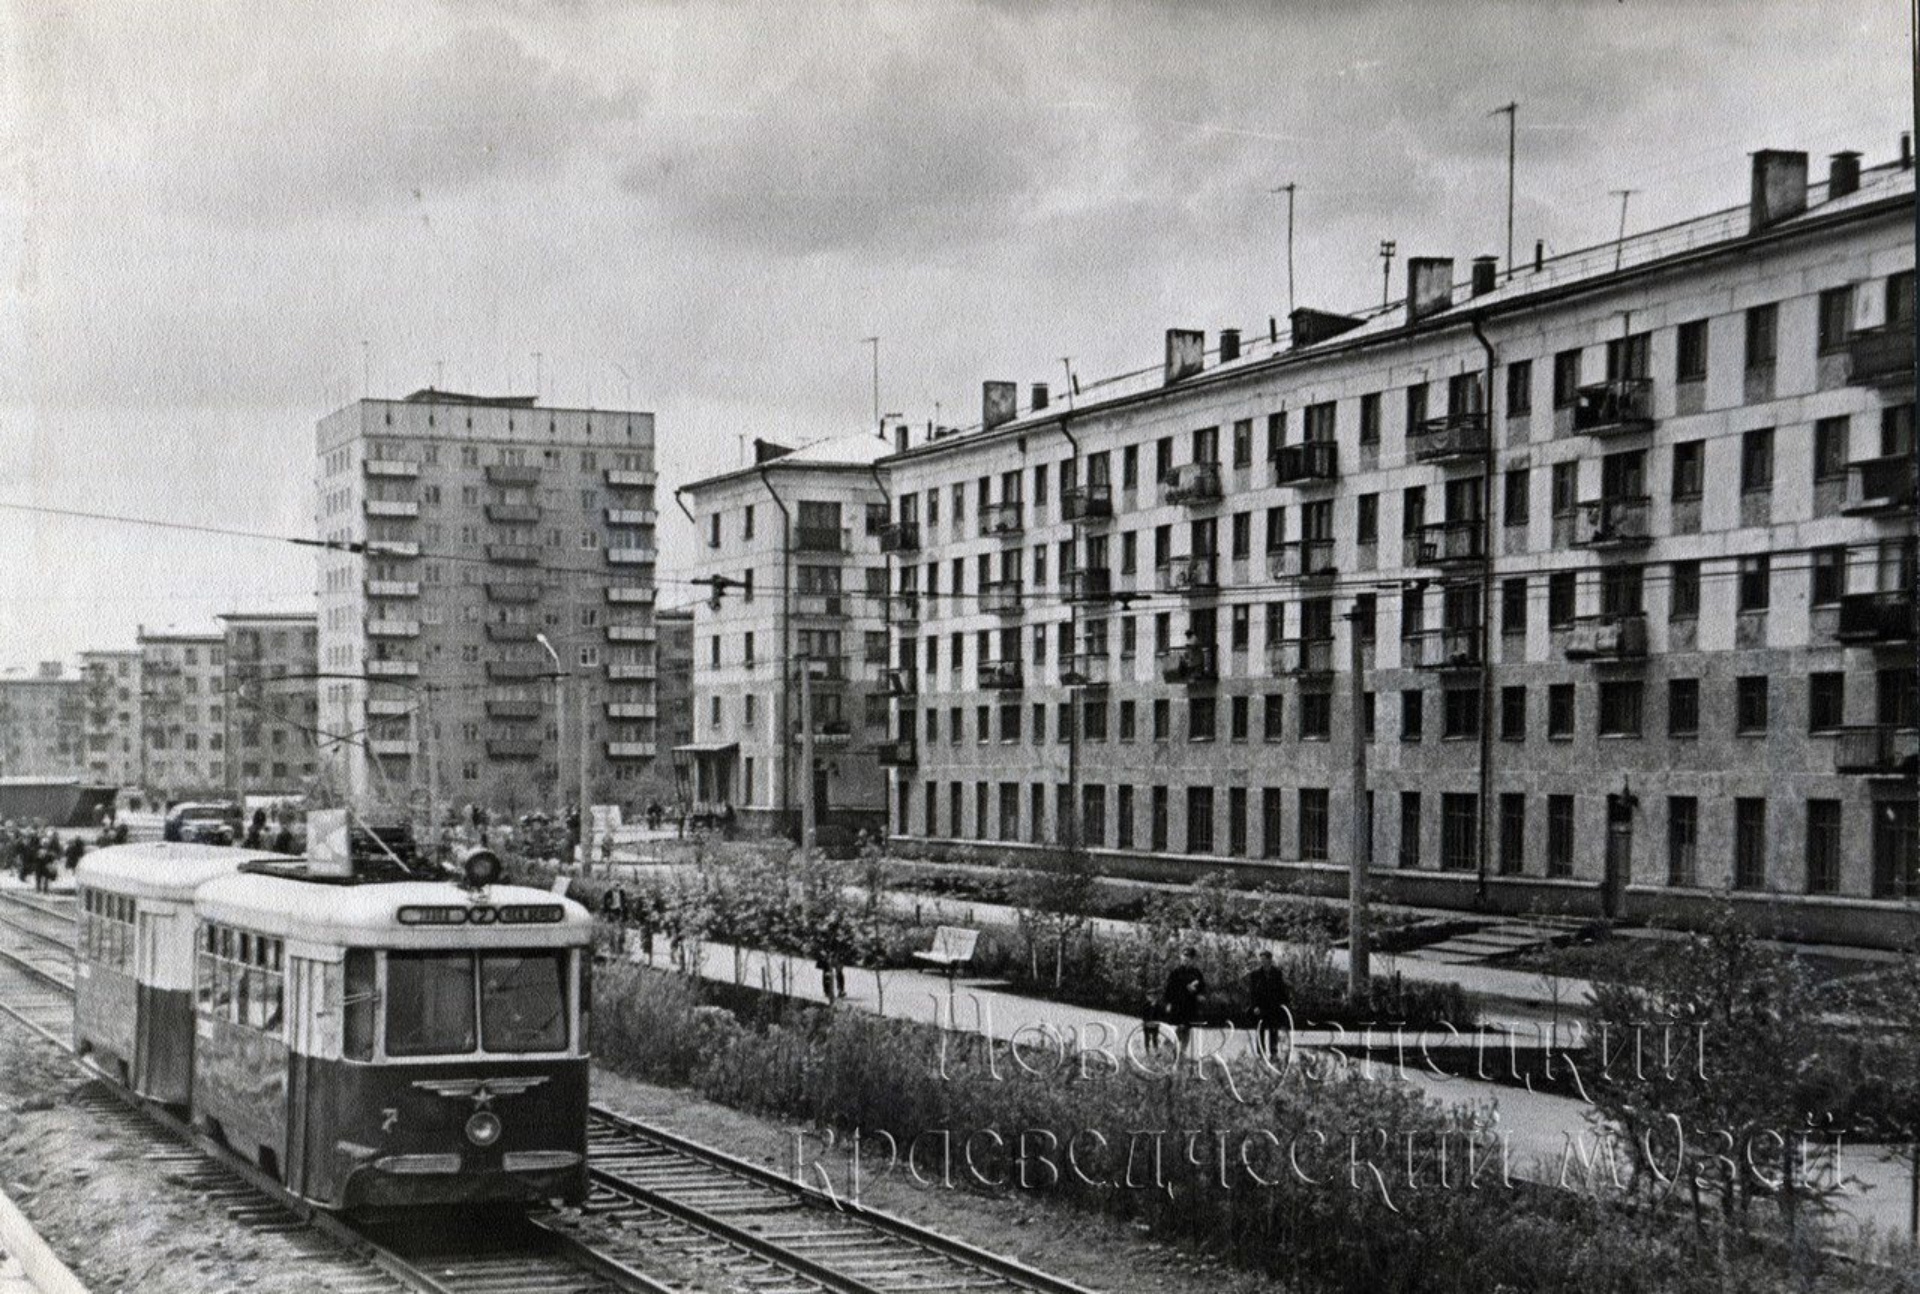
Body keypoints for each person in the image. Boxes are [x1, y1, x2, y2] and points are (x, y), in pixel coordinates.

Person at [1161, 947, 1206, 1059]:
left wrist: (1198, 993)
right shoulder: (1176, 972)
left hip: (1190, 1005)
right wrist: (1168, 1003)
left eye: (1189, 957)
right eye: (1184, 956)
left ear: (1193, 960)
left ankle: (1182, 1051)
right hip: (1178, 1004)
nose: (1185, 959)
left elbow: (1201, 988)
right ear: (1181, 957)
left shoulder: (1197, 973)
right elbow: (1169, 988)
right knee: (1181, 1027)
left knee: (1187, 1028)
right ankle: (1167, 1046)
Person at [1246, 949, 1291, 1061]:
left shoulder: (1277, 973)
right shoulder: (1255, 974)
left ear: (1270, 960)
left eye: (1265, 960)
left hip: (1273, 1007)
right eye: (1261, 960)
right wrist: (1254, 1006)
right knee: (1260, 1030)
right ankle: (1261, 1053)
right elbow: (1252, 992)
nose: (1263, 962)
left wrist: (1283, 1005)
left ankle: (1274, 1053)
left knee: (1273, 1031)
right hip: (1260, 1007)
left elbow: (1281, 991)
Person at [600, 884, 630, 957]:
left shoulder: (622, 892)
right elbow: (605, 903)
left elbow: (625, 903)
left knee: (622, 930)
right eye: (615, 885)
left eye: (618, 885)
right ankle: (612, 948)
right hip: (612, 912)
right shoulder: (608, 893)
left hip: (620, 912)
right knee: (612, 930)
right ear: (612, 886)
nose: (617, 887)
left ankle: (621, 948)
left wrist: (626, 914)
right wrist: (606, 913)